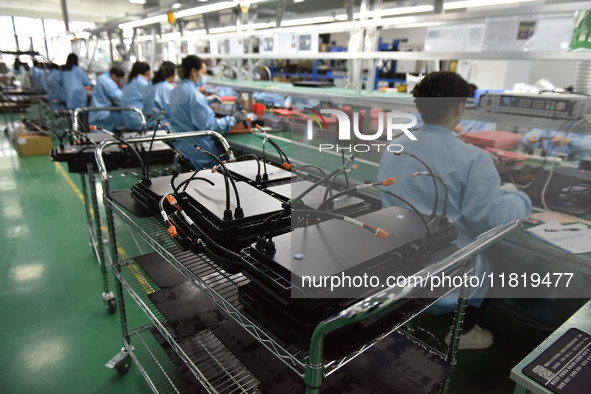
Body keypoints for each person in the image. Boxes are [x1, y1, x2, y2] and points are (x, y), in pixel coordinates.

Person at [378, 71, 532, 350]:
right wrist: (518, 198)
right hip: (446, 268)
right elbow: (492, 221)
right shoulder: (473, 158)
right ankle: (464, 332)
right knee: (489, 266)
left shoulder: (397, 145)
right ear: (460, 107)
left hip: (396, 260)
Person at [168, 55, 246, 169]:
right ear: (194, 71)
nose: (204, 76)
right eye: (203, 72)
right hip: (197, 151)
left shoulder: (176, 90)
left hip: (181, 146)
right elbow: (212, 126)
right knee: (228, 157)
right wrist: (234, 119)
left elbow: (187, 108)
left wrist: (206, 101)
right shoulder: (194, 95)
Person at [88, 66, 125, 132]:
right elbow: (118, 96)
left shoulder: (104, 78)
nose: (118, 81)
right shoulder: (106, 81)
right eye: (118, 79)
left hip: (98, 112)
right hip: (102, 114)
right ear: (113, 75)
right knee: (125, 119)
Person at [142, 60, 176, 128]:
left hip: (148, 125)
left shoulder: (149, 85)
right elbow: (173, 113)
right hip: (163, 127)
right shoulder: (168, 88)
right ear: (173, 75)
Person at [520, 128, 591, 160]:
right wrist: (529, 140)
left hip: (570, 166)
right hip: (545, 162)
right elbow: (527, 138)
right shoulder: (551, 125)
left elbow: (589, 147)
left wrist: (571, 141)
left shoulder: (584, 127)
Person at [121, 61, 151, 131]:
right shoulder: (142, 83)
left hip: (127, 119)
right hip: (138, 120)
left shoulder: (129, 81)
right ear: (148, 72)